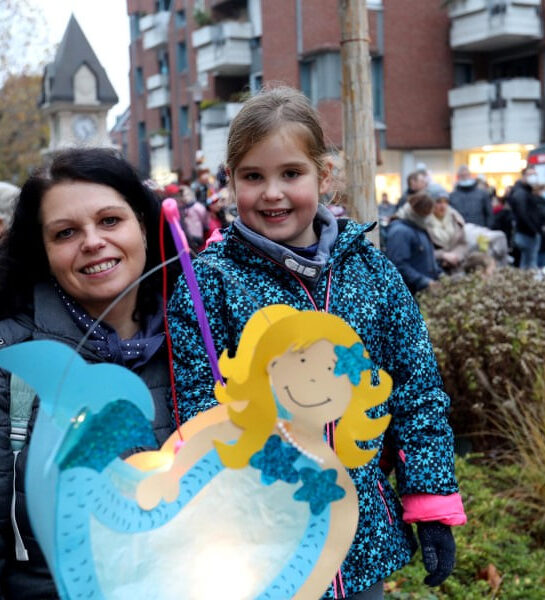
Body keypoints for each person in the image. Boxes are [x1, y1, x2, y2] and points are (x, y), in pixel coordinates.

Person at [168, 87, 466, 600]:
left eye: (291, 173)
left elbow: (416, 388)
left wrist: (430, 498)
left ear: (323, 176)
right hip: (263, 541)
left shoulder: (372, 272)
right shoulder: (210, 283)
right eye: (253, 177)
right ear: (231, 181)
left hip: (360, 535)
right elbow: (196, 406)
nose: (272, 193)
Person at [0, 148, 177, 599]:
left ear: (143, 224)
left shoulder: (202, 338)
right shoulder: (11, 361)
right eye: (66, 233)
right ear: (43, 251)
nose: (93, 242)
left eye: (110, 220)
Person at [387, 193, 443, 294]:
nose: (429, 218)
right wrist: (424, 282)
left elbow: (426, 259)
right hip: (410, 293)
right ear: (419, 214)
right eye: (427, 214)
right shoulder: (400, 232)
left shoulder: (419, 226)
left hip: (423, 290)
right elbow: (398, 265)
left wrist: (440, 274)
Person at [425, 190, 469, 274]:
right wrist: (443, 255)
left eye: (446, 202)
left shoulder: (455, 219)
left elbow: (463, 244)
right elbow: (423, 251)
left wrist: (456, 255)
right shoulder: (424, 222)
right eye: (439, 202)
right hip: (434, 270)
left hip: (457, 267)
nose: (443, 206)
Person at [509, 166, 543, 269]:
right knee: (528, 264)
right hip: (526, 234)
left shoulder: (527, 191)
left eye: (534, 175)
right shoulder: (521, 193)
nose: (533, 177)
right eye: (530, 175)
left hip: (528, 232)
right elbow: (522, 214)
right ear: (523, 176)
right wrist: (534, 229)